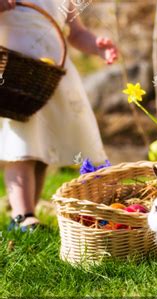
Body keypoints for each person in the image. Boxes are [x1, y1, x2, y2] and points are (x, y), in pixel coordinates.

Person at [0, 0, 118, 231]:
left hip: (53, 76)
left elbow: (77, 33)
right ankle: (22, 215)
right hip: (16, 74)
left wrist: (96, 45)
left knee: (41, 147)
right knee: (20, 146)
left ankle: (28, 213)